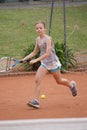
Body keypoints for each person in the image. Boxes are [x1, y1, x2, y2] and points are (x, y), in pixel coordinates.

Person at [22, 21, 77, 109]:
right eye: (37, 28)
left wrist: (36, 60)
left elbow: (47, 53)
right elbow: (34, 52)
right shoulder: (38, 39)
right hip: (44, 63)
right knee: (37, 80)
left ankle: (71, 86)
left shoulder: (48, 39)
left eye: (41, 28)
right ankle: (36, 101)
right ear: (35, 30)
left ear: (44, 29)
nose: (39, 29)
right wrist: (25, 58)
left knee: (59, 81)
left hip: (53, 63)